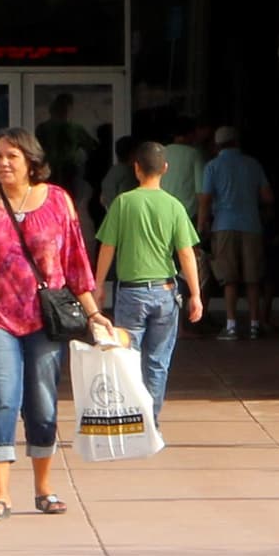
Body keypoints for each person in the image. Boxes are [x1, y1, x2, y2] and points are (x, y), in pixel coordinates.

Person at [0, 126, 100, 521]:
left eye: (12, 156)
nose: (4, 163)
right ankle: (0, 493)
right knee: (2, 398)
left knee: (42, 403)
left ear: (31, 161)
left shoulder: (59, 201)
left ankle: (44, 487)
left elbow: (76, 263)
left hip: (45, 320)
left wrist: (94, 312)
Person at [93, 139, 203, 426]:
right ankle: (150, 421)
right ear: (165, 168)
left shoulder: (123, 203)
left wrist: (99, 284)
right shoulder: (174, 206)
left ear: (136, 168)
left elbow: (107, 247)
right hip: (165, 292)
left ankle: (131, 419)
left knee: (127, 358)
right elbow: (186, 254)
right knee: (157, 363)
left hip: (130, 293)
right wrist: (196, 294)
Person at [197, 123, 271, 338]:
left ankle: (231, 325)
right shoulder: (253, 164)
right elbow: (267, 196)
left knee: (228, 278)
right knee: (252, 278)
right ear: (237, 142)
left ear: (217, 145)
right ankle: (255, 324)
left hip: (223, 225)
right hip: (251, 225)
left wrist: (201, 225)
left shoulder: (212, 167)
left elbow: (205, 199)